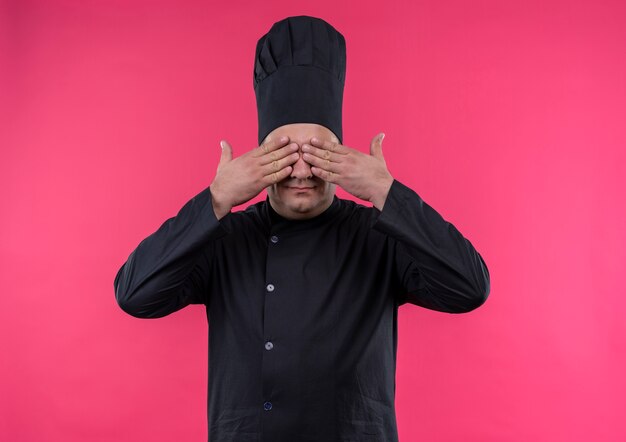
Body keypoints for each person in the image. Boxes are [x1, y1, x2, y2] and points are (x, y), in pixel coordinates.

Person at [114, 15, 490, 442]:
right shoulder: (226, 236)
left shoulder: (379, 233)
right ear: (259, 157)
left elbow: (470, 288)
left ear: (341, 154)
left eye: (317, 152)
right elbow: (134, 295)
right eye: (284, 153)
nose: (301, 170)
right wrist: (214, 200)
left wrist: (388, 192)